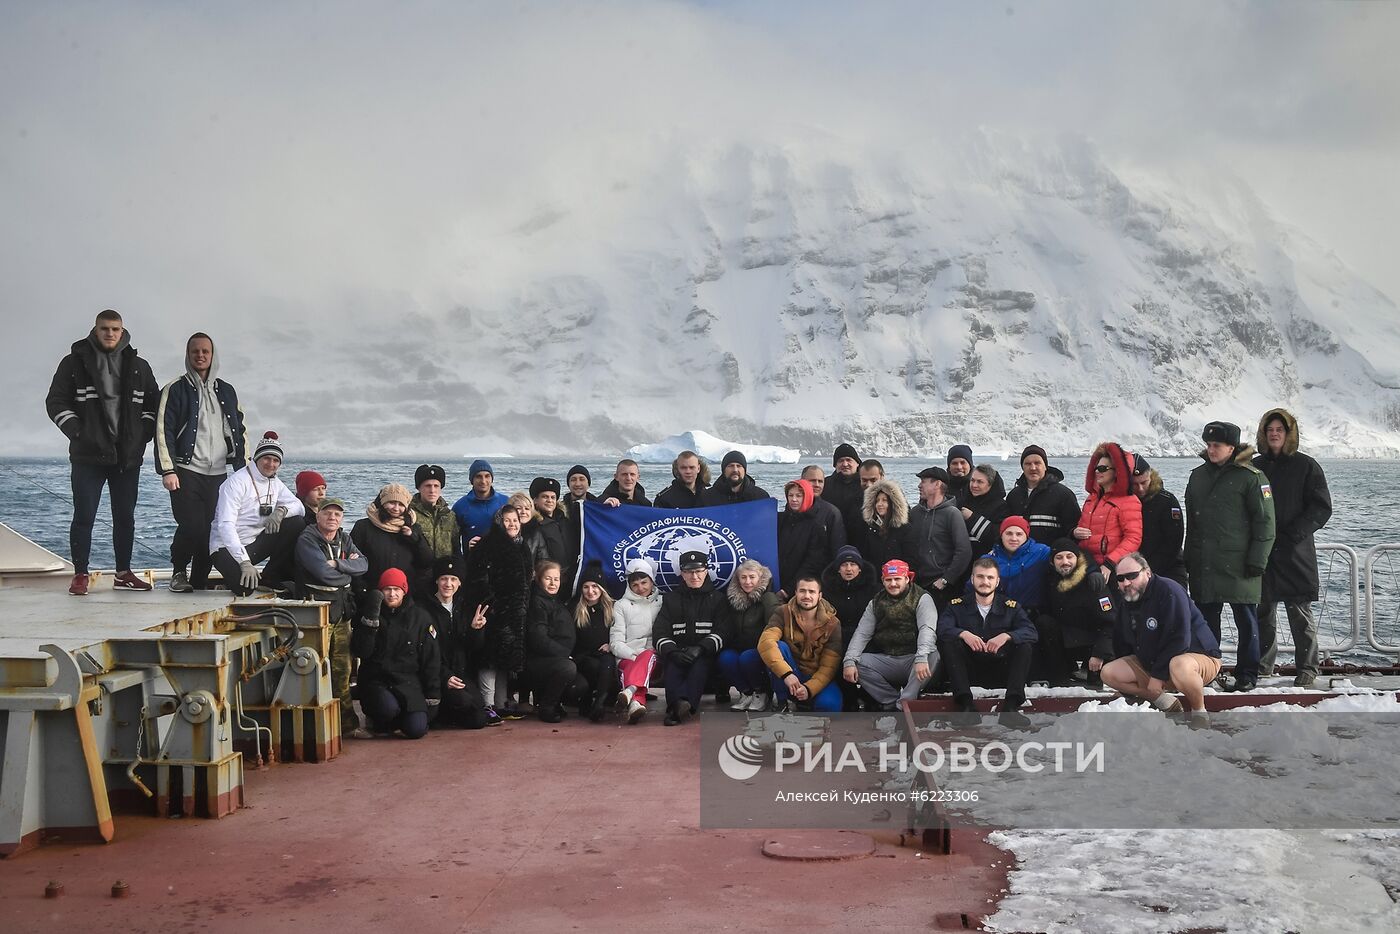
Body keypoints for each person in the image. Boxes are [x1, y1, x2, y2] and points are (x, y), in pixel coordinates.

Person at [46, 309, 160, 595]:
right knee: (84, 515)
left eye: (115, 329)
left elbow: (153, 405)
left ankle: (123, 573)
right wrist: (78, 432)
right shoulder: (74, 363)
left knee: (125, 517)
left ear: (123, 332)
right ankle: (80, 574)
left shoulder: (139, 366)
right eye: (104, 328)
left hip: (127, 457)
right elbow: (56, 402)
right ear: (95, 330)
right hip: (88, 456)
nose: (110, 333)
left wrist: (141, 436)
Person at [1184, 421, 1276, 693]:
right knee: (1204, 622)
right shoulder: (1198, 476)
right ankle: (1207, 671)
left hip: (1240, 564)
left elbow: (1266, 523)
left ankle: (1247, 673)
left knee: (1246, 621)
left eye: (1217, 445)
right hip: (1205, 564)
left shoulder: (1252, 477)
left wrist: (1258, 560)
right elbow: (1194, 522)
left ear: (1231, 447)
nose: (1211, 450)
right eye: (1209, 445)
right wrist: (1189, 556)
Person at [155, 332, 246, 593]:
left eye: (205, 351)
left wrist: (245, 468)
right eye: (195, 351)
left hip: (218, 473)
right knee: (192, 525)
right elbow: (163, 430)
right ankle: (178, 572)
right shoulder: (175, 389)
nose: (200, 355)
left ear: (213, 354)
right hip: (185, 470)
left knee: (213, 530)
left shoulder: (227, 390)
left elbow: (240, 429)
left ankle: (198, 580)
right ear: (188, 354)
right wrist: (168, 469)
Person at [1253, 409, 1332, 686]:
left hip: (1295, 552)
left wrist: (1295, 533)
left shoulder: (1306, 466)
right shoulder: (1254, 466)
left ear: (1289, 434)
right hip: (1263, 553)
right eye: (1270, 429)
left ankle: (1308, 667)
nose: (1274, 434)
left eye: (1279, 430)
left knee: (1299, 613)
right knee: (1263, 612)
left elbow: (1321, 507)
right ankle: (1263, 666)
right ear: (1263, 433)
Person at [1100, 553, 1222, 728]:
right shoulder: (1128, 598)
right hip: (1156, 662)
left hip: (1197, 656)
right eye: (1121, 578)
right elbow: (1121, 641)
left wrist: (1158, 676)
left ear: (1147, 573)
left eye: (1132, 576)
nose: (1126, 582)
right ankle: (1162, 699)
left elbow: (1180, 640)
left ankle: (1199, 712)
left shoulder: (1169, 591)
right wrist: (1125, 689)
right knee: (1109, 672)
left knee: (1178, 664)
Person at [294, 497, 367, 735]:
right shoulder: (307, 540)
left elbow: (364, 564)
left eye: (337, 514)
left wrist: (337, 563)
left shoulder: (345, 539)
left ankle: (347, 726)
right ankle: (314, 729)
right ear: (318, 516)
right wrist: (347, 570)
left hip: (342, 614)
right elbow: (322, 574)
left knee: (343, 671)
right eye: (328, 513)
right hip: (316, 616)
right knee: (314, 671)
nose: (332, 518)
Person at [936, 558, 1038, 722]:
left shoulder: (1010, 607)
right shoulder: (956, 606)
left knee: (1024, 645)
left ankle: (1011, 708)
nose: (985, 582)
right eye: (980, 577)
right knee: (950, 642)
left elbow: (1031, 632)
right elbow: (942, 629)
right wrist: (964, 634)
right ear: (972, 579)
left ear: (997, 581)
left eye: (990, 578)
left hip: (1001, 668)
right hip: (969, 671)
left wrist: (1007, 636)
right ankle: (966, 706)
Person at [209, 431, 305, 595]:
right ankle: (231, 580)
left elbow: (299, 507)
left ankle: (270, 576)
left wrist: (281, 511)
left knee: (296, 523)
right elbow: (226, 526)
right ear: (257, 458)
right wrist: (244, 561)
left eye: (276, 461)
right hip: (226, 548)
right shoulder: (236, 483)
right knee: (245, 590)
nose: (271, 464)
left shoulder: (274, 482)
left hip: (254, 544)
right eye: (267, 458)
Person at [461, 505, 533, 721]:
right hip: (492, 612)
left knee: (505, 661)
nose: (512, 524)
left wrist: (520, 607)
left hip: (516, 613)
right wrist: (491, 605)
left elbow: (527, 581)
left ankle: (501, 704)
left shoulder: (523, 547)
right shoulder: (487, 545)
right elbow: (477, 579)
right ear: (499, 522)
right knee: (488, 659)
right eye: (507, 520)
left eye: (515, 520)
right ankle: (487, 704)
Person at [351, 568, 441, 739]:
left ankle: (403, 719)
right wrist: (370, 623)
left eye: (396, 589)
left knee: (417, 730)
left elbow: (431, 660)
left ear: (404, 591)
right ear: (380, 591)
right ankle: (381, 719)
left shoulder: (420, 618)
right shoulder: (371, 613)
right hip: (378, 681)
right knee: (387, 709)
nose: (392, 594)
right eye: (387, 589)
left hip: (407, 682)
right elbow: (361, 651)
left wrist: (432, 695)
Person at [842, 559, 939, 711]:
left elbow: (927, 629)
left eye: (897, 579)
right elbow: (862, 633)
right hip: (887, 660)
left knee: (933, 654)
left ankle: (905, 703)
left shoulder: (922, 598)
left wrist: (921, 657)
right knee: (857, 662)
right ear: (883, 580)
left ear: (907, 578)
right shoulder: (876, 602)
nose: (893, 584)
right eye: (888, 580)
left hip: (914, 660)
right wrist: (849, 661)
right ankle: (890, 701)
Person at [651, 550, 731, 725]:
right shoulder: (671, 599)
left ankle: (685, 704)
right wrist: (672, 651)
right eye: (689, 572)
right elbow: (660, 631)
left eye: (698, 571)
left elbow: (723, 631)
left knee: (699, 667)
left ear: (706, 571)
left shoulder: (718, 599)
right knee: (672, 668)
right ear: (682, 573)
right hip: (678, 650)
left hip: (705, 652)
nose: (694, 576)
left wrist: (701, 648)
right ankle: (678, 706)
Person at [421, 556, 491, 730]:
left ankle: (447, 714)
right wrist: (445, 677)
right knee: (462, 701)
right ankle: (440, 710)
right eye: (444, 578)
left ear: (459, 583)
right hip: (435, 676)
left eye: (453, 579)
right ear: (437, 580)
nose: (448, 584)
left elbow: (471, 647)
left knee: (479, 719)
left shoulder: (463, 608)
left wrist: (476, 630)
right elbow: (426, 652)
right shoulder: (424, 610)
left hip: (460, 673)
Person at [757, 576, 844, 712]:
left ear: (819, 595)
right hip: (791, 671)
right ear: (796, 593)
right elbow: (765, 642)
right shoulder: (783, 612)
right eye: (802, 591)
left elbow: (829, 666)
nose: (806, 596)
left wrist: (809, 688)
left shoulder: (832, 623)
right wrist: (787, 674)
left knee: (829, 707)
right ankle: (783, 701)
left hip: (815, 674)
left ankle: (803, 700)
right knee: (778, 647)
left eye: (812, 592)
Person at [1043, 539, 1116, 685]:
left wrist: (1099, 654)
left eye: (1069, 556)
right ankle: (1060, 676)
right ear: (1052, 562)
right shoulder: (1050, 581)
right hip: (1067, 644)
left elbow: (1111, 623)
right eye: (1059, 557)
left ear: (1078, 558)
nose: (1065, 562)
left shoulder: (1093, 582)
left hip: (1094, 647)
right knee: (1044, 623)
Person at [715, 560, 782, 711]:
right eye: (743, 577)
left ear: (761, 578)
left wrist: (768, 594)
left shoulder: (768, 597)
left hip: (760, 647)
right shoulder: (732, 598)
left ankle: (761, 693)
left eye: (752, 577)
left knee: (747, 658)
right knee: (725, 658)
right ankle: (746, 693)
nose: (748, 582)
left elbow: (775, 623)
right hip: (738, 645)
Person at [350, 483, 435, 598]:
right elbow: (353, 561)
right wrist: (361, 589)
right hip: (371, 593)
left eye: (401, 504)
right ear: (382, 503)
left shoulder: (413, 528)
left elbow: (426, 561)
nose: (396, 508)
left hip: (404, 594)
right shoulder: (363, 527)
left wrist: (414, 539)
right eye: (392, 503)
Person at [820, 545, 880, 710]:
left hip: (867, 637)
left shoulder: (873, 589)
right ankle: (849, 699)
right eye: (844, 565)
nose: (848, 569)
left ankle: (870, 697)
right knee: (836, 655)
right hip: (837, 637)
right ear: (838, 569)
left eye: (853, 564)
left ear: (860, 568)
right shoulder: (827, 591)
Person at [1074, 442, 1142, 580]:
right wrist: (1074, 532)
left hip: (1111, 569)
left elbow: (1133, 538)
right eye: (1096, 468)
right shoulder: (1091, 498)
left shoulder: (1128, 500)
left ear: (1117, 471)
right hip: (1086, 564)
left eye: (1103, 468)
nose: (1098, 472)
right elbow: (1082, 528)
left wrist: (1110, 564)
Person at [524, 561, 582, 723]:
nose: (552, 583)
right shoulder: (537, 602)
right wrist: (564, 654)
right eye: (548, 578)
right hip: (538, 661)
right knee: (568, 668)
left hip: (556, 658)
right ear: (539, 579)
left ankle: (555, 702)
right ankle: (546, 707)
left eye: (556, 579)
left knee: (581, 686)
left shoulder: (553, 600)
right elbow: (538, 638)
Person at [906, 466, 972, 607]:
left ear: (937, 484)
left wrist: (946, 579)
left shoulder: (952, 514)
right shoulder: (916, 512)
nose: (919, 485)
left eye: (923, 481)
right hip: (916, 584)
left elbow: (964, 551)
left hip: (941, 587)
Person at [610, 557, 662, 724]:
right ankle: (636, 703)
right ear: (629, 586)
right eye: (635, 585)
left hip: (653, 655)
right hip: (627, 657)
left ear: (652, 581)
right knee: (641, 660)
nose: (640, 588)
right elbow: (616, 641)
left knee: (648, 655)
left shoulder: (662, 602)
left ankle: (630, 690)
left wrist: (642, 656)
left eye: (644, 582)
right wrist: (633, 656)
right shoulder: (621, 605)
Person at [1003, 445, 1082, 545]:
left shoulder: (1063, 494)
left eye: (1037, 463)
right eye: (1028, 464)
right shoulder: (1013, 496)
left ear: (1045, 466)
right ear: (1022, 467)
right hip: (1019, 557)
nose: (1033, 467)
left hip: (1050, 557)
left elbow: (1073, 529)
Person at [1130, 455, 1187, 588]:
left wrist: (1149, 569)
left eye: (1144, 482)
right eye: (1134, 484)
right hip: (1133, 568)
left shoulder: (1166, 501)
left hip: (1168, 566)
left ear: (1151, 477)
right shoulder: (1122, 503)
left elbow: (1174, 541)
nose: (1140, 489)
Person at [571, 562, 618, 721]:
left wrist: (611, 644)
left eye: (595, 586)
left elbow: (621, 633)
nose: (590, 591)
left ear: (602, 588)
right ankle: (589, 699)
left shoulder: (612, 608)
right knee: (594, 665)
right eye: (586, 587)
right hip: (582, 656)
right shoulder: (574, 608)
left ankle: (599, 703)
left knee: (607, 661)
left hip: (606, 655)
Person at [776, 479, 830, 598]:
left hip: (799, 590)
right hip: (776, 584)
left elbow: (812, 563)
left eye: (799, 496)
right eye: (790, 495)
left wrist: (789, 589)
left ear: (807, 497)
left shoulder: (816, 527)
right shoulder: (780, 520)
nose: (794, 499)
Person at [452, 459, 509, 552]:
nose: (483, 481)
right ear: (472, 480)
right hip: (472, 562)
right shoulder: (460, 507)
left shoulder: (505, 502)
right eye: (478, 476)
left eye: (487, 476)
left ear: (492, 479)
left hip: (502, 562)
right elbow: (453, 543)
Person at [853, 477, 911, 568]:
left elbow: (909, 558)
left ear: (893, 503)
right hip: (874, 578)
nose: (880, 504)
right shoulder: (868, 528)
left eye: (884, 500)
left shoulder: (904, 529)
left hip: (897, 578)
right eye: (877, 501)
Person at [411, 464, 460, 563]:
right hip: (418, 573)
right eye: (428, 486)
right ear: (419, 488)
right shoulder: (410, 514)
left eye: (436, 486)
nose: (432, 490)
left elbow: (456, 549)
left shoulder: (449, 516)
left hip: (444, 573)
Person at [529, 477, 575, 576]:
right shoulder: (533, 524)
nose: (549, 500)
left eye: (553, 497)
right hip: (547, 577)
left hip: (570, 575)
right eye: (545, 497)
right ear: (535, 500)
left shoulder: (565, 520)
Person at [799, 464, 848, 555]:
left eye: (820, 481)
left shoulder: (831, 513)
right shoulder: (791, 510)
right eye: (812, 481)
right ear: (802, 481)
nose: (817, 485)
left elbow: (837, 547)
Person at [960, 464, 1008, 557]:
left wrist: (971, 518)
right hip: (962, 561)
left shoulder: (1001, 507)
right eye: (972, 480)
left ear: (990, 485)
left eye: (980, 482)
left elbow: (998, 537)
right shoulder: (962, 502)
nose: (974, 485)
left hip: (986, 562)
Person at [821, 443, 865, 534]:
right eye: (841, 461)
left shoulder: (865, 484)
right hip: (832, 537)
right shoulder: (825, 484)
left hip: (862, 538)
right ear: (835, 465)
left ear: (857, 463)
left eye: (849, 460)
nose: (845, 464)